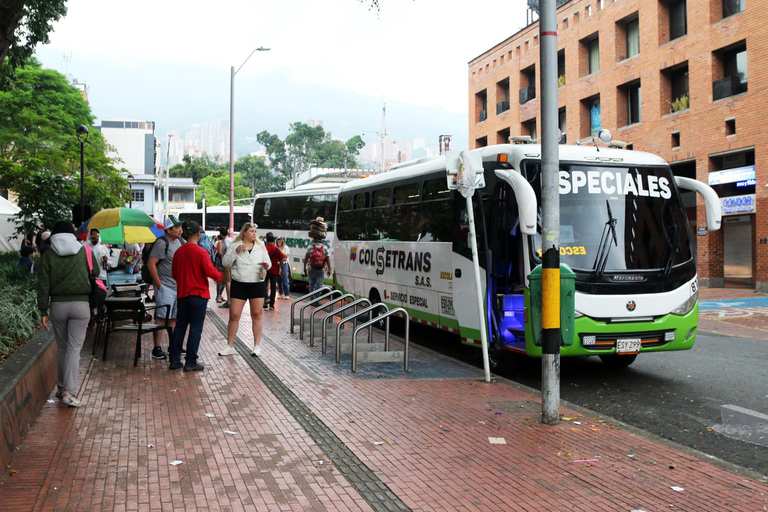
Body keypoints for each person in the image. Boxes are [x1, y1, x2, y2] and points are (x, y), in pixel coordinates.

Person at [37, 220, 99, 407]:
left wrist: (43, 310)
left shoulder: (47, 255)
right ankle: (69, 392)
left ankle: (61, 386)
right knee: (74, 349)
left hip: (58, 306)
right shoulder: (84, 251)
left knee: (63, 347)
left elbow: (43, 285)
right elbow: (95, 271)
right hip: (81, 305)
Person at [168, 221, 223, 372]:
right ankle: (190, 362)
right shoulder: (200, 252)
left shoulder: (178, 252)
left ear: (185, 234)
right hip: (198, 295)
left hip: (183, 294)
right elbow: (210, 271)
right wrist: (221, 276)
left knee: (180, 327)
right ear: (199, 234)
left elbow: (174, 274)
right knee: (195, 329)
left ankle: (174, 360)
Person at [218, 222, 270, 357]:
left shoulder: (260, 246)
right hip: (239, 283)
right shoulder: (235, 245)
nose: (254, 234)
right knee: (234, 315)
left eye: (255, 231)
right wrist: (236, 252)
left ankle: (257, 346)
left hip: (257, 283)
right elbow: (226, 263)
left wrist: (266, 265)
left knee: (257, 314)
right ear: (244, 232)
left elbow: (268, 262)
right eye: (252, 231)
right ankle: (229, 345)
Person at [146, 215, 184, 360]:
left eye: (180, 227)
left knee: (173, 318)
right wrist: (159, 284)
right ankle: (157, 347)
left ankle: (173, 345)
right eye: (177, 228)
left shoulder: (178, 242)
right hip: (165, 286)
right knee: (161, 317)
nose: (180, 230)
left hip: (176, 286)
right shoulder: (162, 243)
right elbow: (151, 264)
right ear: (168, 230)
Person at [264, 232, 285, 310]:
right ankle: (272, 305)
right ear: (273, 241)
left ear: (266, 240)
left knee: (264, 285)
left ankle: (265, 299)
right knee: (273, 287)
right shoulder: (277, 249)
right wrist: (282, 270)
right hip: (274, 270)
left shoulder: (264, 248)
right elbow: (281, 260)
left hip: (265, 270)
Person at [218, 227, 234, 309]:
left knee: (227, 282)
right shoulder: (231, 239)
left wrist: (226, 259)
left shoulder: (226, 240)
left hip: (227, 263)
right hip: (231, 263)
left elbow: (227, 249)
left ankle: (229, 301)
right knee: (229, 281)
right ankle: (230, 300)